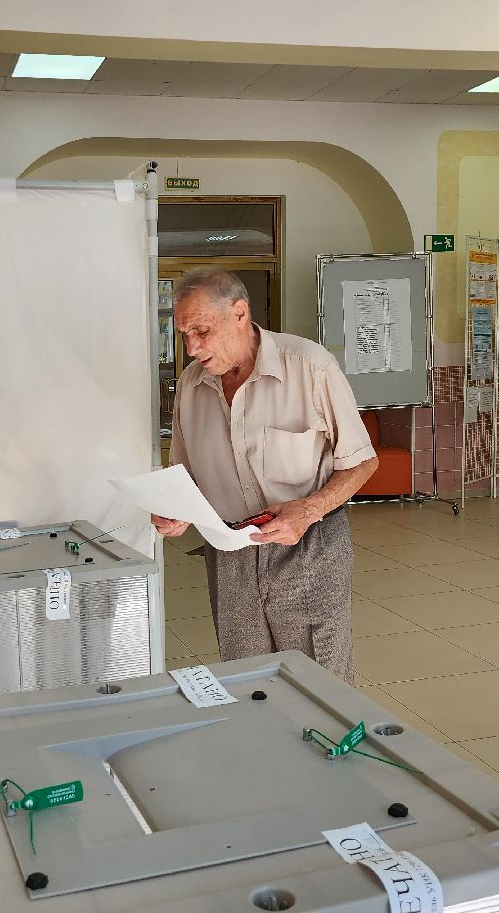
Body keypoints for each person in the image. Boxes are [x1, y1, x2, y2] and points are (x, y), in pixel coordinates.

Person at [151, 267, 379, 683]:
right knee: (248, 679)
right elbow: (185, 476)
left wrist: (309, 510)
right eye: (184, 334)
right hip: (229, 553)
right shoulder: (190, 385)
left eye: (200, 330)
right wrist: (176, 513)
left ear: (240, 313)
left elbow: (363, 461)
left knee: (317, 678)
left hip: (308, 544)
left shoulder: (309, 366)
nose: (191, 347)